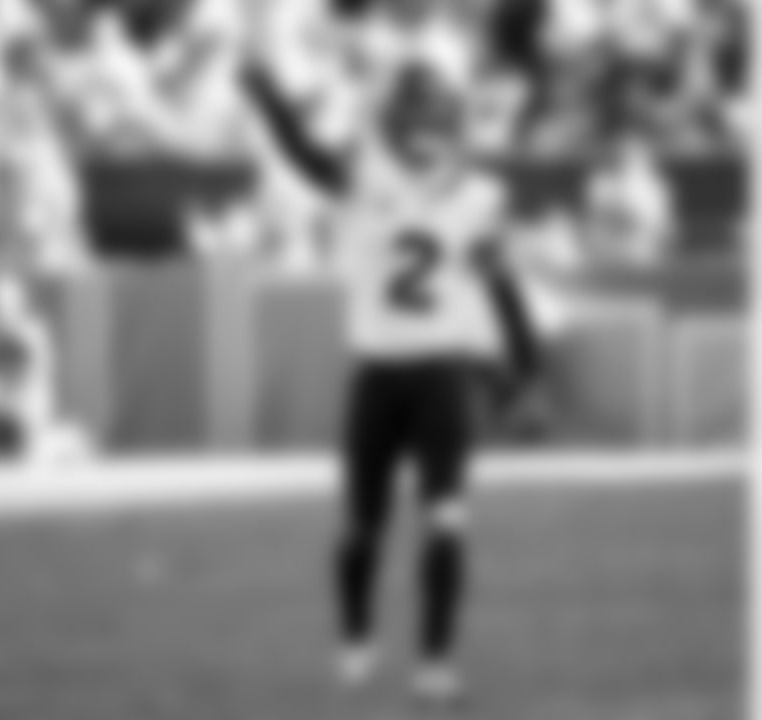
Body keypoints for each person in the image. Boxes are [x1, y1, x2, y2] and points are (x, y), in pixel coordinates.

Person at [243, 25, 541, 705]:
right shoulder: (472, 192)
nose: (419, 129)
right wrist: (526, 373)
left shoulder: (375, 174)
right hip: (414, 373)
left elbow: (302, 153)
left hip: (413, 373)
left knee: (417, 521)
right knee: (394, 521)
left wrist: (266, 96)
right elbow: (506, 292)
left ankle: (383, 650)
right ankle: (398, 654)